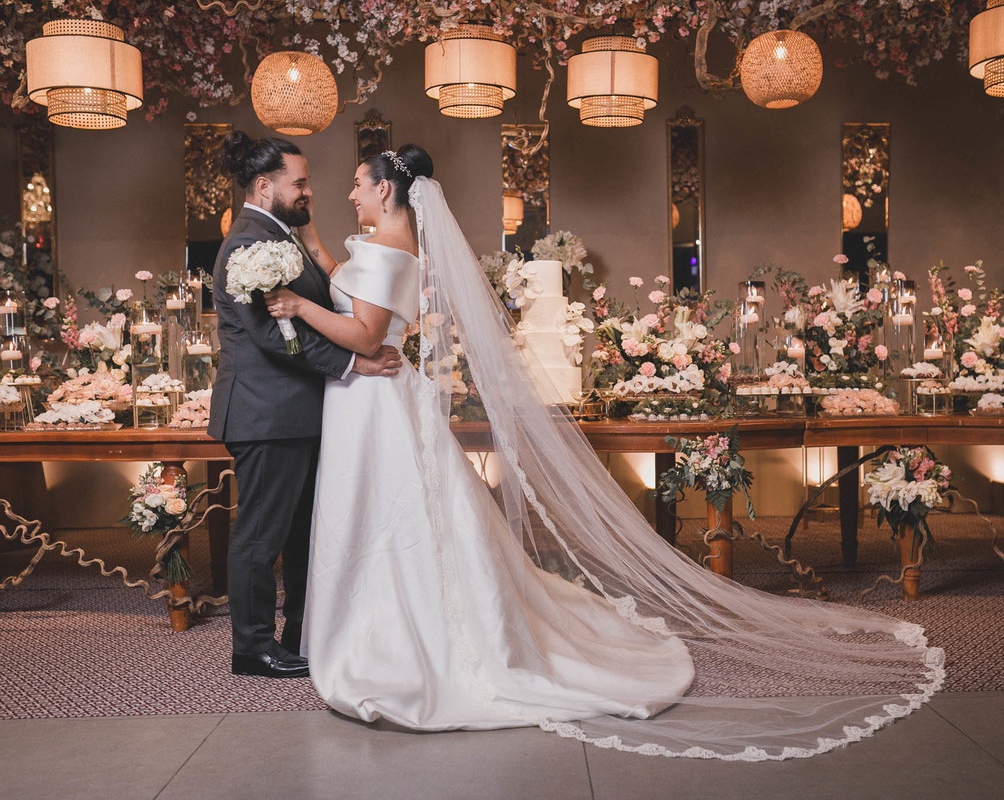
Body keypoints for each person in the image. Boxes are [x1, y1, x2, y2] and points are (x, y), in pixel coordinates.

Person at [264, 144, 945, 760]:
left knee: (391, 520)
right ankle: (381, 626)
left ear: (387, 191)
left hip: (377, 404)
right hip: (375, 400)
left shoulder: (388, 252)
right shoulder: (383, 245)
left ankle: (398, 642)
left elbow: (363, 333)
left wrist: (296, 306)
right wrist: (313, 243)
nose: (349, 192)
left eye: (358, 184)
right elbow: (343, 277)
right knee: (389, 517)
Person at [210, 133, 401, 679]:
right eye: (300, 183)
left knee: (298, 532)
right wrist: (354, 364)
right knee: (260, 535)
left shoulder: (279, 235)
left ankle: (298, 633)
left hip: (293, 411)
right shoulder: (248, 243)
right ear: (264, 186)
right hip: (266, 412)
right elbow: (274, 334)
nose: (308, 192)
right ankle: (251, 648)